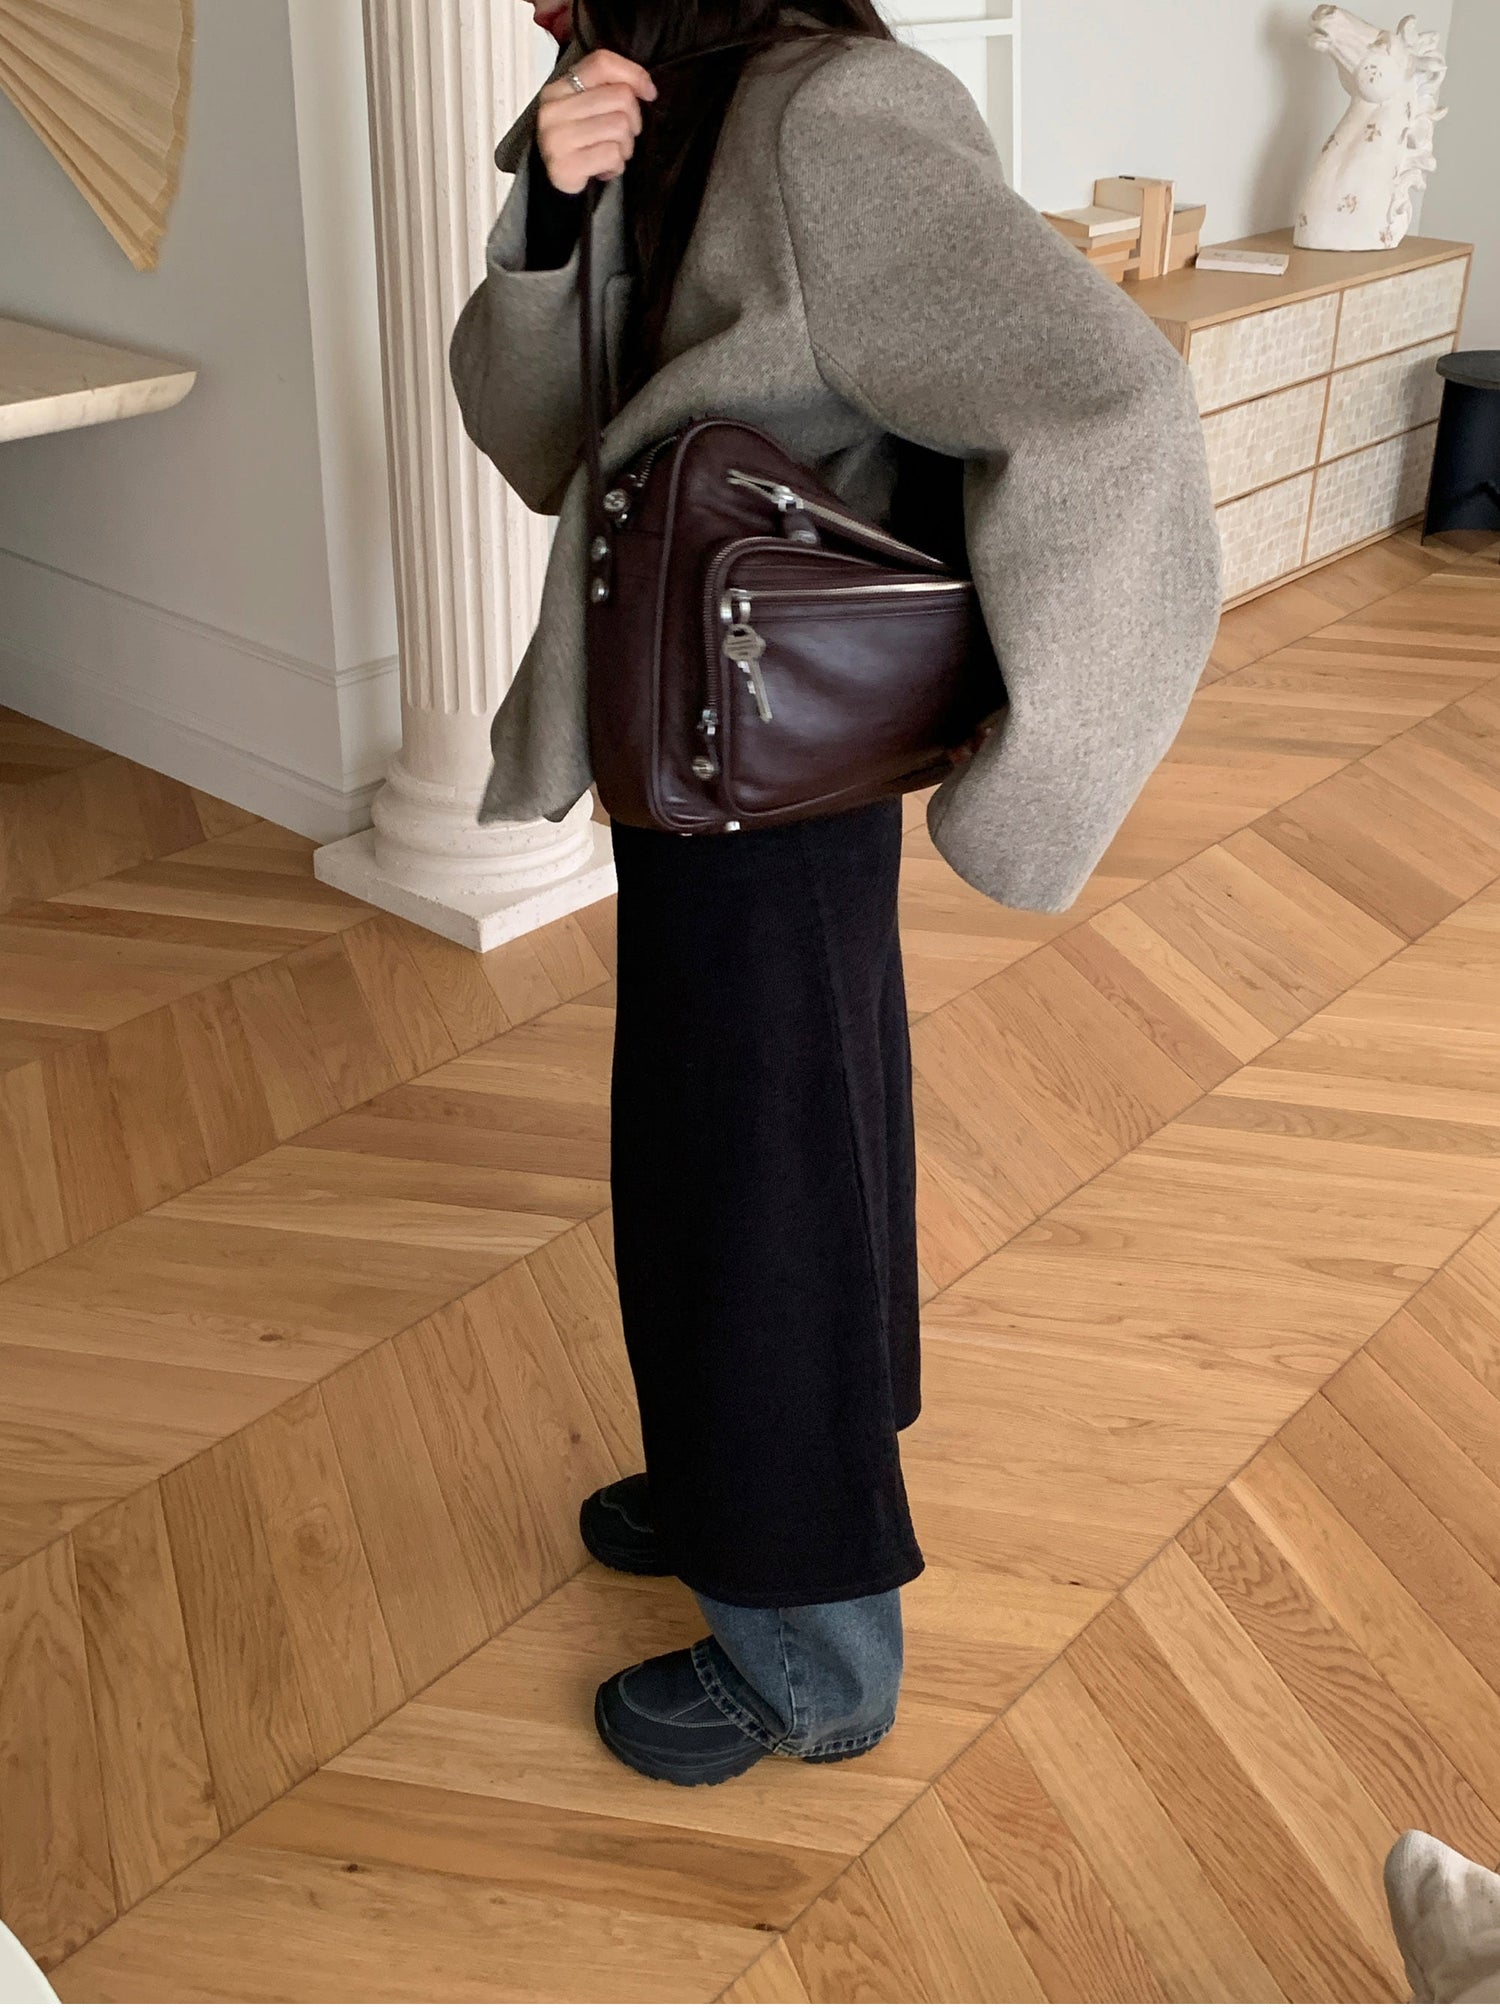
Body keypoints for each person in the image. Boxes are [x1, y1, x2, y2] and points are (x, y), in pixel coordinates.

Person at [451, 0, 1220, 1787]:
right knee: (732, 1155)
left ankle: (812, 1659)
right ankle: (732, 1475)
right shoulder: (661, 99)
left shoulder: (837, 115)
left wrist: (1039, 772)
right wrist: (553, 218)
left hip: (769, 755)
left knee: (761, 1189)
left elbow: (1113, 398)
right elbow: (551, 440)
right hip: (697, 738)